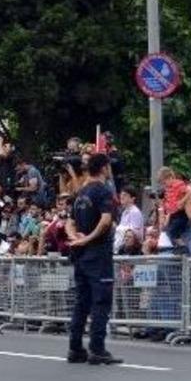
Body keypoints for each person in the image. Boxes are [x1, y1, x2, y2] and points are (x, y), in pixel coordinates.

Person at [66, 153, 123, 365]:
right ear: (104, 168)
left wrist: (76, 238)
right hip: (98, 254)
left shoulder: (81, 193)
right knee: (101, 301)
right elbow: (106, 221)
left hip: (81, 254)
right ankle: (97, 348)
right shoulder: (103, 191)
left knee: (82, 302)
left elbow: (69, 222)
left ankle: (75, 348)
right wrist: (87, 239)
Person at [114, 187, 144, 253]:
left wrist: (119, 228)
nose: (122, 197)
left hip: (132, 248)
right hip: (123, 245)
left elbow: (135, 232)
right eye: (121, 195)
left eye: (125, 195)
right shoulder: (124, 212)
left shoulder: (135, 212)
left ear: (132, 199)